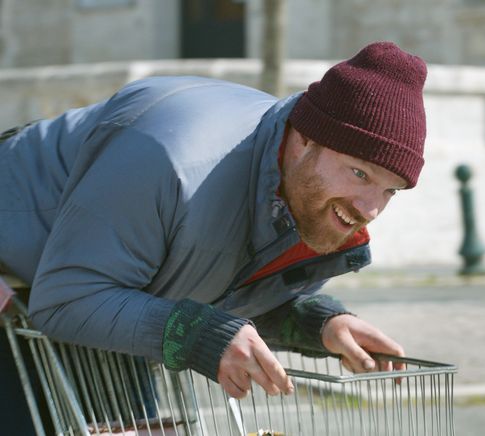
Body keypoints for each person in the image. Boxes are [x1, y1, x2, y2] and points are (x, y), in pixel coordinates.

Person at [0, 40, 426, 421]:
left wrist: (313, 322)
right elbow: (69, 298)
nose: (370, 208)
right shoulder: (171, 163)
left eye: (390, 190)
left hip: (65, 298)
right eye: (359, 173)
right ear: (305, 140)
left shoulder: (297, 190)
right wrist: (199, 334)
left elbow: (207, 282)